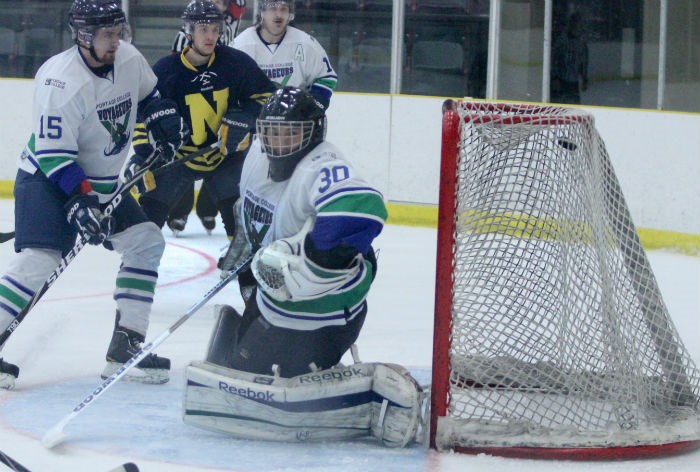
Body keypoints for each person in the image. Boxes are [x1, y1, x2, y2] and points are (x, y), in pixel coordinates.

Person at [182, 87, 425, 447]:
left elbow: (361, 210)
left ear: (314, 132)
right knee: (241, 372)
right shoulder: (255, 157)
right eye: (272, 133)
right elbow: (249, 211)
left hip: (324, 307)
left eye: (291, 133)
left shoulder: (321, 165)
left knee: (264, 389)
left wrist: (313, 255)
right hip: (277, 302)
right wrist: (245, 248)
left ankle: (374, 390)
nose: (279, 143)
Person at [0, 0, 189, 389]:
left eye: (118, 32)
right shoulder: (60, 81)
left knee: (146, 243)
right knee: (41, 260)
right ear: (84, 35)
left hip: (101, 185)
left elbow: (150, 97)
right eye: (107, 34)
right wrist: (81, 200)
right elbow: (54, 155)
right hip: (49, 181)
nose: (115, 41)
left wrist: (162, 121)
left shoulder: (129, 58)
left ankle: (126, 345)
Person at [132, 1, 275, 247]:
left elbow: (268, 98)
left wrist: (246, 117)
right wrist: (144, 158)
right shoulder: (166, 70)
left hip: (225, 157)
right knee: (141, 236)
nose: (211, 36)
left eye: (215, 29)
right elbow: (142, 117)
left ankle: (249, 283)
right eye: (203, 29)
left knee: (247, 239)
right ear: (188, 32)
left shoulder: (235, 62)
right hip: (178, 161)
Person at [167, 0, 248, 236]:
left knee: (221, 155)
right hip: (192, 95)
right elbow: (176, 67)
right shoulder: (190, 29)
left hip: (221, 91)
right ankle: (179, 211)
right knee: (187, 152)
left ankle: (206, 207)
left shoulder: (228, 21)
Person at [231, 0, 338, 109]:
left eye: (283, 9)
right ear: (262, 12)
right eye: (273, 9)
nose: (279, 15)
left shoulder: (306, 44)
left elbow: (326, 77)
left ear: (290, 14)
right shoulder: (241, 46)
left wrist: (311, 105)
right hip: (253, 118)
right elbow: (227, 83)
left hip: (294, 119)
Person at [551, 12, 588, 105]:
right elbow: (554, 58)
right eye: (577, 22)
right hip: (561, 80)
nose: (579, 25)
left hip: (573, 83)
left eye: (580, 23)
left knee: (574, 110)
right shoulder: (562, 39)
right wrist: (554, 78)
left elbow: (584, 60)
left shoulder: (582, 41)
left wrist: (584, 78)